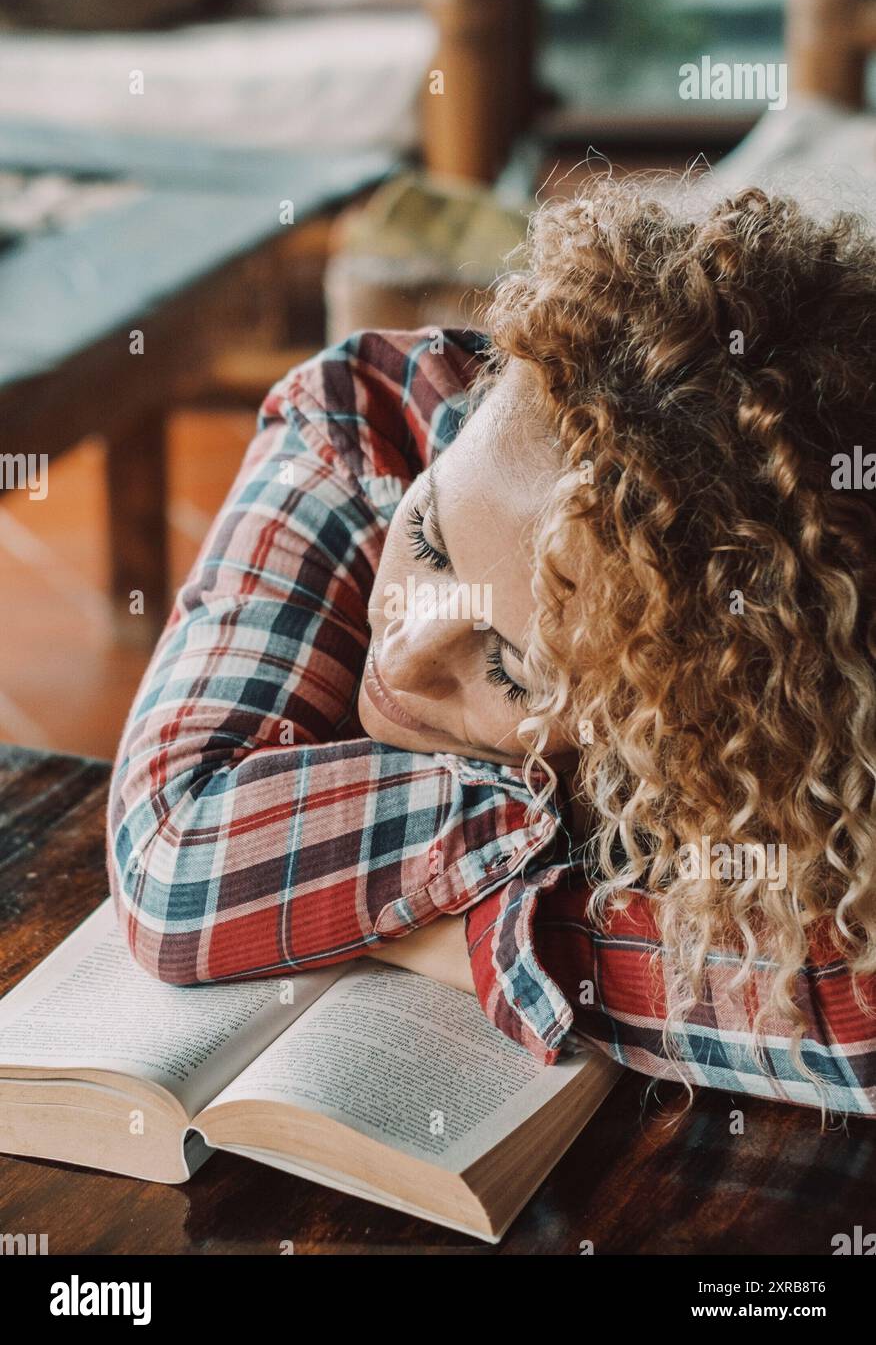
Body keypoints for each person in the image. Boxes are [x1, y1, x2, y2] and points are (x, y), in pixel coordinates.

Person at [107, 178, 876, 1119]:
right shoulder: (363, 427)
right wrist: (530, 860)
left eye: (512, 666)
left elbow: (856, 1012)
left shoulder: (779, 715)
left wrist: (461, 918)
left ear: (680, 737)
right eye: (428, 541)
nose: (409, 646)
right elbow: (177, 856)